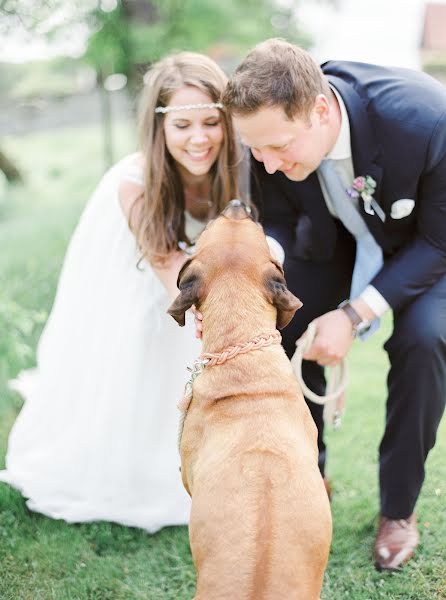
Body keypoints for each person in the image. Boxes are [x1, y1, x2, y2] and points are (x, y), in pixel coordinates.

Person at [221, 38, 446, 570]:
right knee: (285, 322)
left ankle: (397, 509)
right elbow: (273, 214)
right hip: (330, 238)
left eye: (279, 148)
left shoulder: (424, 120)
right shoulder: (265, 137)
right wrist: (265, 262)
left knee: (425, 339)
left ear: (321, 110)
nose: (268, 165)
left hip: (426, 246)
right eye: (255, 150)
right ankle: (306, 479)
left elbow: (438, 242)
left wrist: (353, 314)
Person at [0, 51, 242, 532]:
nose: (199, 139)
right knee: (142, 343)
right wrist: (210, 308)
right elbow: (167, 265)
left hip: (198, 279)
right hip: (147, 285)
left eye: (211, 122)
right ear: (159, 128)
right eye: (183, 126)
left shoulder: (236, 168)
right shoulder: (133, 183)